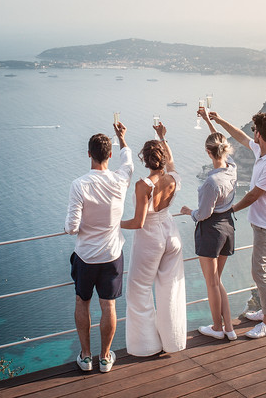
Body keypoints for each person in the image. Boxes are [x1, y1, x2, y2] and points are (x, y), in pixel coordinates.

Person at [208, 110, 266, 339]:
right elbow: (240, 137)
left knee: (259, 270)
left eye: (254, 131)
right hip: (265, 222)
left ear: (260, 134)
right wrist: (220, 120)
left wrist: (227, 209)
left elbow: (253, 195)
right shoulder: (264, 151)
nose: (252, 135)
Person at [65, 122, 133, 373]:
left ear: (89, 154)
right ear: (110, 155)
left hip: (86, 256)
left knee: (82, 302)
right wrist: (122, 138)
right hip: (112, 255)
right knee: (109, 306)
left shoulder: (79, 185)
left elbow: (71, 227)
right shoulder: (120, 181)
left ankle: (85, 356)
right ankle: (105, 358)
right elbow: (129, 164)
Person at [121, 123, 187, 356]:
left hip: (150, 238)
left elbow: (138, 222)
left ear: (145, 160)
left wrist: (114, 224)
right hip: (171, 233)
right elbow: (172, 161)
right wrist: (162, 137)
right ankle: (174, 342)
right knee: (171, 289)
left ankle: (146, 347)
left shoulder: (143, 185)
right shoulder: (173, 179)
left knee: (138, 289)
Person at [180, 108, 238, 341]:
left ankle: (217, 327)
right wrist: (208, 121)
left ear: (207, 152)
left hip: (212, 231)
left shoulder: (211, 182)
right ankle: (230, 328)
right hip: (228, 228)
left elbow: (203, 213)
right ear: (224, 150)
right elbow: (220, 145)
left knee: (211, 283)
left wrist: (188, 212)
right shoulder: (231, 168)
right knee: (217, 281)